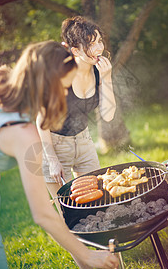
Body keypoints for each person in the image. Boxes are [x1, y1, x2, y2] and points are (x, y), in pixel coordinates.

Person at [0, 40, 119, 269]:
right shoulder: (25, 135)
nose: (66, 94)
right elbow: (43, 214)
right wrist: (87, 256)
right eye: (64, 87)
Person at [36, 16, 116, 212]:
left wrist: (107, 78)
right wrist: (53, 159)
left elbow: (108, 116)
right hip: (54, 145)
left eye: (99, 41)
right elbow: (41, 120)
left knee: (96, 205)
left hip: (84, 140)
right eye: (90, 44)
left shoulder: (99, 72)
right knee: (69, 210)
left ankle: (102, 242)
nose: (99, 48)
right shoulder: (60, 75)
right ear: (75, 51)